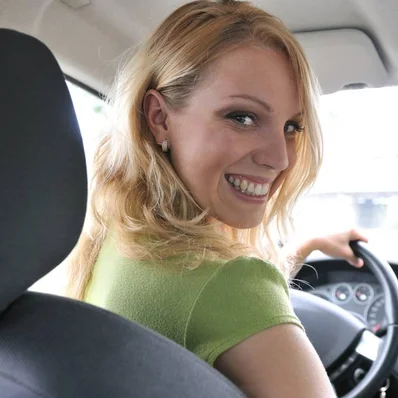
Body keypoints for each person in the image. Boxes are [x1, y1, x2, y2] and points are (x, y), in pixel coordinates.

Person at [66, 1, 367, 397]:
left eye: (292, 126)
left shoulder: (116, 237)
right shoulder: (230, 284)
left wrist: (304, 246)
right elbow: (221, 294)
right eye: (242, 117)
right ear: (159, 118)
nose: (280, 157)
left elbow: (204, 303)